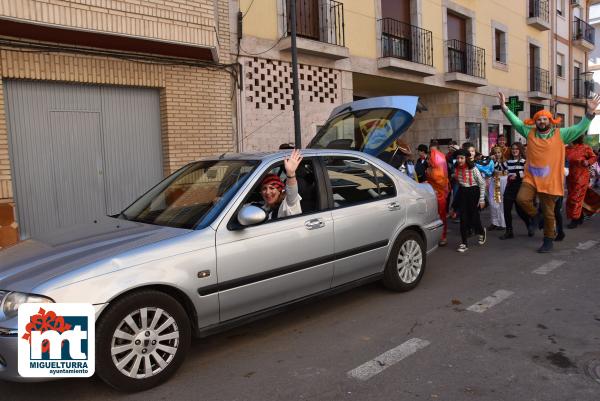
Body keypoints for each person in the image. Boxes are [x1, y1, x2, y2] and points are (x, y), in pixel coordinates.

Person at [498, 91, 600, 252]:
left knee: (549, 212)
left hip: (550, 180)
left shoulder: (561, 134)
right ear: (535, 122)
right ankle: (535, 216)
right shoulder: (529, 133)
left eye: (545, 119)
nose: (542, 121)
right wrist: (505, 108)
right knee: (522, 199)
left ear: (550, 121)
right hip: (531, 177)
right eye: (539, 119)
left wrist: (589, 113)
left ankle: (548, 239)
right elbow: (517, 122)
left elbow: (579, 128)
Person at [451, 149, 487, 253]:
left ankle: (481, 232)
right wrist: (454, 206)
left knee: (474, 217)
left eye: (461, 158)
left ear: (466, 158)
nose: (459, 160)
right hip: (463, 192)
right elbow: (460, 184)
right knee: (463, 218)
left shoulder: (473, 168)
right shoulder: (456, 168)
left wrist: (481, 200)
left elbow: (482, 183)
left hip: (473, 192)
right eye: (458, 158)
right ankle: (464, 243)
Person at [256, 149, 303, 220]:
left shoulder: (287, 204)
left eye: (272, 188)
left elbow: (291, 192)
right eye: (264, 188)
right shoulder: (263, 206)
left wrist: (291, 174)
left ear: (279, 191)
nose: (267, 192)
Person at [500, 142, 530, 239]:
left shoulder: (524, 161)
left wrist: (517, 175)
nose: (514, 150)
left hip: (520, 188)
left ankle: (529, 225)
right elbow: (498, 168)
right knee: (506, 210)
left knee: (521, 211)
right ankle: (509, 231)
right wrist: (493, 160)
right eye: (513, 148)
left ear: (520, 150)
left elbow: (528, 172)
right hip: (509, 188)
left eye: (516, 148)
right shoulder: (508, 162)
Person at [565, 135, 597, 228]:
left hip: (581, 177)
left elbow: (594, 157)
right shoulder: (566, 149)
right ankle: (581, 216)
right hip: (570, 178)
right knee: (575, 197)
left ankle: (575, 219)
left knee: (575, 198)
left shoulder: (585, 148)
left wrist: (588, 162)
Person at [426, 146, 450, 246]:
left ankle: (442, 237)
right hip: (434, 196)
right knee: (436, 217)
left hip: (439, 197)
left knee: (440, 217)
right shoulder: (432, 169)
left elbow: (438, 182)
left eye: (429, 158)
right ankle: (438, 236)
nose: (428, 160)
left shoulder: (436, 171)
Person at [488, 145, 507, 231]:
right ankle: (494, 222)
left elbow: (505, 170)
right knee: (493, 202)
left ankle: (502, 223)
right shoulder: (491, 161)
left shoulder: (505, 161)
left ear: (502, 153)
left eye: (499, 152)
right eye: (495, 153)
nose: (497, 154)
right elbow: (489, 170)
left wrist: (500, 172)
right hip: (494, 181)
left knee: (500, 203)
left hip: (501, 181)